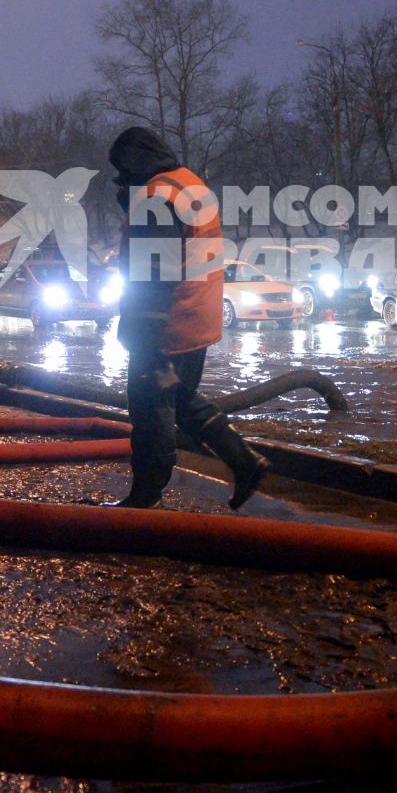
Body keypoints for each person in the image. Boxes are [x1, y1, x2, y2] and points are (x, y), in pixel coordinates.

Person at [107, 126, 267, 510]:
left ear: (133, 166)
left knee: (150, 407)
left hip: (166, 323)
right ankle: (244, 461)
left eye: (121, 172)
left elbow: (154, 271)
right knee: (178, 395)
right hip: (197, 316)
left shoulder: (157, 197)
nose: (120, 181)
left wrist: (145, 332)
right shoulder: (188, 184)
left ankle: (146, 496)